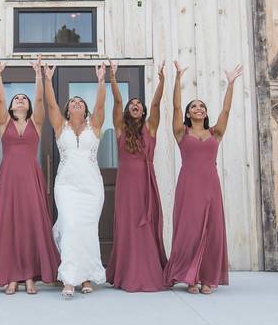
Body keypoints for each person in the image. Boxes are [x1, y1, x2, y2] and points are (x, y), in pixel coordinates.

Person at [163, 62, 243, 294]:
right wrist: (178, 78)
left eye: (202, 106)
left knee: (212, 230)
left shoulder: (215, 133)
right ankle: (191, 278)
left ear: (205, 113)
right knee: (190, 230)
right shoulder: (181, 132)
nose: (199, 108)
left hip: (210, 186)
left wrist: (230, 84)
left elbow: (226, 112)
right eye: (194, 106)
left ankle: (208, 278)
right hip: (188, 186)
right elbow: (176, 107)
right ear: (189, 113)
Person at [0, 58, 60, 295]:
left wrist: (38, 75)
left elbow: (39, 99)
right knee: (9, 224)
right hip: (9, 177)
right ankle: (12, 275)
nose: (20, 100)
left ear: (28, 107)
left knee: (30, 223)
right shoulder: (3, 121)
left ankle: (29, 275)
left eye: (23, 99)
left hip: (30, 176)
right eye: (16, 98)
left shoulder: (36, 124)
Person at [43, 62, 108, 298]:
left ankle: (87, 276)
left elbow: (101, 104)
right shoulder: (60, 126)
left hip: (92, 187)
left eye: (81, 101)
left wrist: (102, 80)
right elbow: (50, 104)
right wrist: (48, 80)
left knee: (88, 230)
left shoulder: (96, 125)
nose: (77, 103)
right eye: (73, 102)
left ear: (86, 109)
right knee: (70, 227)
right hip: (66, 186)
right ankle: (69, 279)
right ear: (68, 110)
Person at [106, 61, 168, 292]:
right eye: (132, 104)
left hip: (145, 181)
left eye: (138, 104)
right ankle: (127, 271)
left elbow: (155, 103)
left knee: (146, 223)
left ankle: (149, 269)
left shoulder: (151, 128)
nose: (135, 105)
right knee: (127, 224)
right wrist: (113, 77)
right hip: (126, 183)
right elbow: (118, 101)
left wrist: (161, 81)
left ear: (142, 111)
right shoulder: (120, 128)